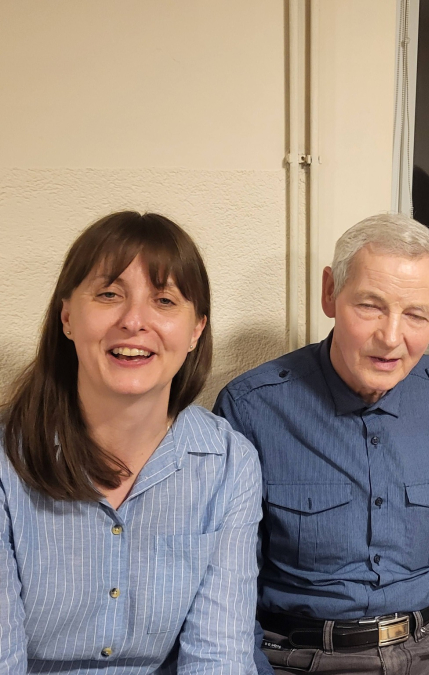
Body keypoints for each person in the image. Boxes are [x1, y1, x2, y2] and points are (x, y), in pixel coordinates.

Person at [214, 213, 429, 675]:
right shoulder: (252, 408)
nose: (391, 338)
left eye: (416, 314)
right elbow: (225, 582)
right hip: (302, 658)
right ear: (330, 293)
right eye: (370, 306)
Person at [0, 211, 262, 674]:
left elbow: (218, 655)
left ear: (195, 330)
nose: (134, 320)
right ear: (67, 317)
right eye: (109, 294)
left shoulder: (228, 462)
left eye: (164, 300)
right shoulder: (8, 457)